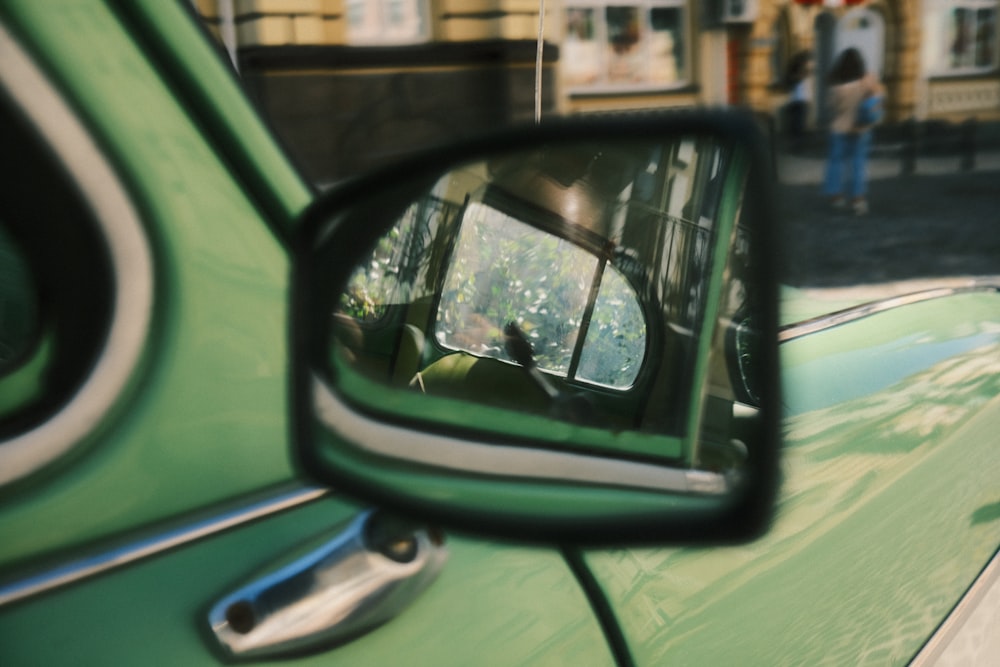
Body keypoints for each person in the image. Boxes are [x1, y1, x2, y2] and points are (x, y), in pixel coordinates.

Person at [822, 48, 885, 216]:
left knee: (836, 163)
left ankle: (836, 196)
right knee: (858, 164)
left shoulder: (836, 84)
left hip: (840, 128)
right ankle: (858, 199)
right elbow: (879, 97)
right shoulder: (868, 80)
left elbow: (831, 106)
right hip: (861, 128)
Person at [784, 51, 813, 151]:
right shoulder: (797, 73)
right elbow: (798, 80)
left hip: (797, 99)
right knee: (798, 121)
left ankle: (796, 141)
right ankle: (797, 142)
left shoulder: (797, 72)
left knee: (797, 121)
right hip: (798, 99)